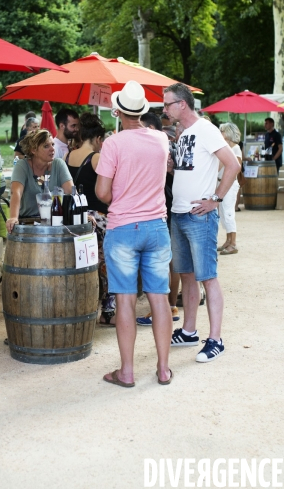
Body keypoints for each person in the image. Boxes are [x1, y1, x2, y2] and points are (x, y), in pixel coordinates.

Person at [95, 80, 173, 387]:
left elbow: (102, 192)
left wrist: (122, 194)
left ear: (117, 111)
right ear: (143, 111)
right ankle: (164, 369)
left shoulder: (113, 143)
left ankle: (126, 372)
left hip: (123, 228)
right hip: (156, 226)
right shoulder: (161, 140)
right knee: (160, 299)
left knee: (125, 300)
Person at [163, 83, 240, 363]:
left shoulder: (206, 129)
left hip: (199, 216)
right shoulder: (183, 134)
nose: (165, 109)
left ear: (182, 104)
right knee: (186, 276)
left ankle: (216, 339)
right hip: (180, 213)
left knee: (207, 277)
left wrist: (216, 200)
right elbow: (191, 168)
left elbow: (233, 164)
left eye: (168, 104)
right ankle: (189, 330)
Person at [65, 113, 115, 325]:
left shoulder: (69, 156)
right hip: (99, 219)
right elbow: (107, 190)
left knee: (83, 265)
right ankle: (107, 311)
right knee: (105, 266)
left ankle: (83, 308)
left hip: (77, 219)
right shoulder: (96, 158)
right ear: (97, 138)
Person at [136, 112, 181, 326]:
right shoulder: (164, 145)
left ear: (151, 129)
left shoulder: (163, 146)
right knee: (168, 259)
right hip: (166, 206)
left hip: (166, 205)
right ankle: (168, 306)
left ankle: (167, 307)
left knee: (166, 260)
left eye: (142, 128)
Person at [6, 130, 73, 232]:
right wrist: (14, 217)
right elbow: (16, 192)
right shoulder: (22, 165)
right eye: (46, 146)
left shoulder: (59, 164)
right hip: (28, 222)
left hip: (55, 222)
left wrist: (82, 213)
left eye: (53, 144)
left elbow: (71, 192)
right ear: (33, 150)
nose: (52, 149)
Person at [217, 123, 242, 255]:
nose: (220, 132)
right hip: (222, 183)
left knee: (228, 213)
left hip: (230, 184)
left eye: (223, 131)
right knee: (223, 214)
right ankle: (228, 240)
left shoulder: (235, 148)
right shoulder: (225, 147)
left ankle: (233, 243)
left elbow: (236, 168)